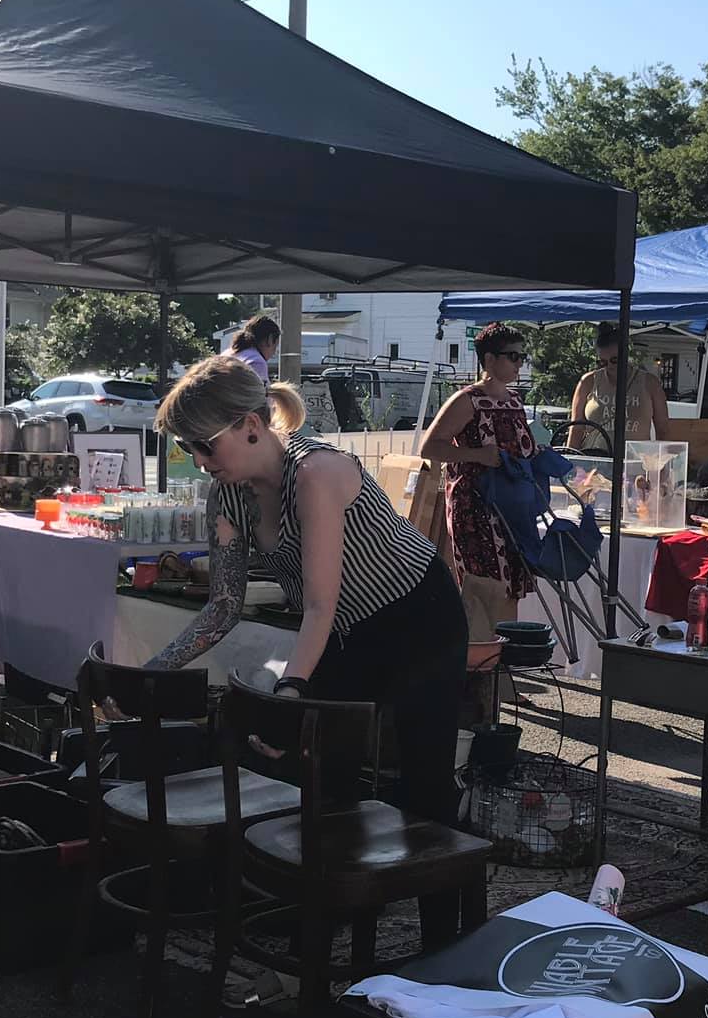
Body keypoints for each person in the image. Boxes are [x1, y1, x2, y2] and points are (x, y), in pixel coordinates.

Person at [147, 355, 472, 945]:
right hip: (346, 628)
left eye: (203, 447)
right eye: (188, 451)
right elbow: (222, 606)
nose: (199, 463)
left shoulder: (317, 471)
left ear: (250, 424)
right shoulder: (230, 497)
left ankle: (440, 944)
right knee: (324, 772)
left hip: (418, 617)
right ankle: (333, 911)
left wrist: (291, 689)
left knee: (423, 784)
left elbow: (320, 605)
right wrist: (152, 671)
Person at [420, 323, 537, 643]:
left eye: (521, 357)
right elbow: (430, 447)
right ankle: (481, 669)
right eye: (512, 356)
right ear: (488, 359)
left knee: (511, 584)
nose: (518, 364)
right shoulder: (467, 400)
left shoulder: (514, 400)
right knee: (485, 587)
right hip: (475, 507)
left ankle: (504, 672)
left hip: (510, 505)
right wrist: (477, 455)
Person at [568, 324, 670, 452]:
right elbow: (576, 428)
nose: (609, 366)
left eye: (614, 360)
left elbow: (663, 429)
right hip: (595, 460)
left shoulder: (649, 383)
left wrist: (662, 465)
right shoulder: (588, 382)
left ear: (625, 355)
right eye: (602, 362)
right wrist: (570, 464)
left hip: (635, 462)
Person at [226, 313, 282, 382]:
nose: (273, 353)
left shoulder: (228, 353)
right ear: (269, 340)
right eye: (275, 347)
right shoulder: (256, 362)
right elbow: (259, 392)